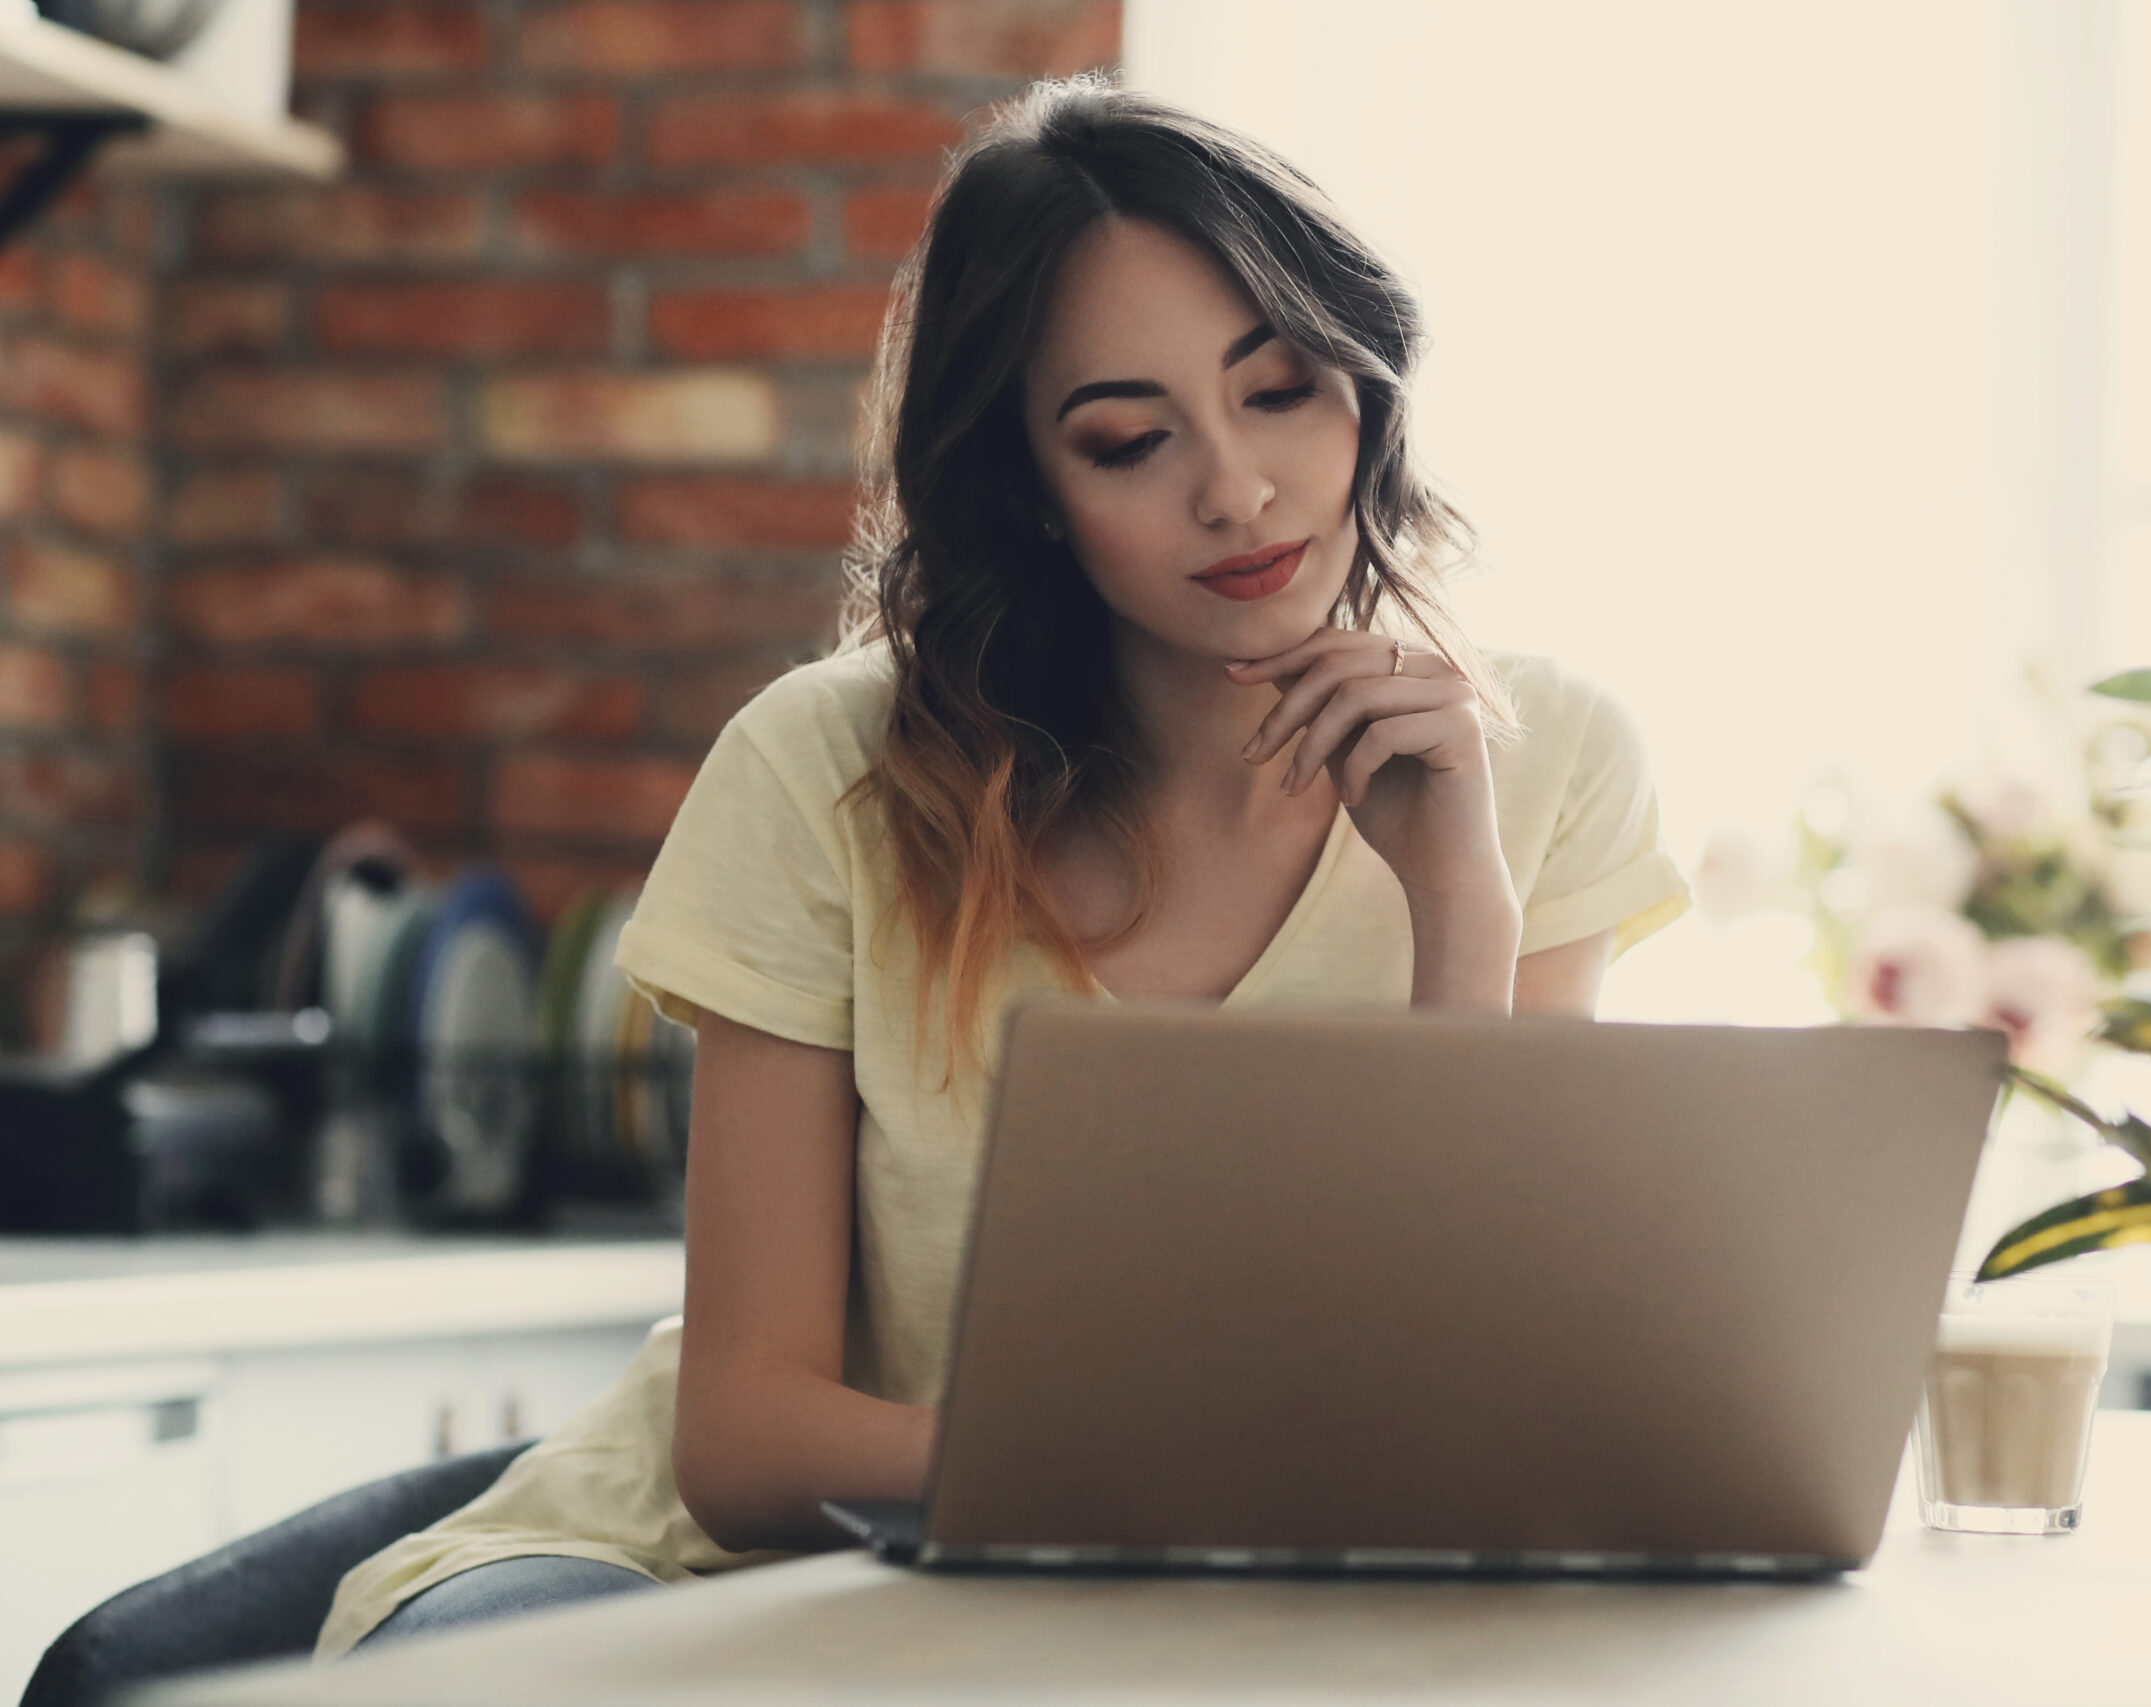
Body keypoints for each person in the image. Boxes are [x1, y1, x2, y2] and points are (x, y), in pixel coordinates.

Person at [316, 76, 1688, 1656]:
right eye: (1127, 438)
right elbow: (746, 1442)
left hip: (1207, 1612)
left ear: (1366, 387)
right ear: (1029, 487)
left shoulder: (1540, 757)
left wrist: (1464, 911)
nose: (1234, 490)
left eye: (1285, 389)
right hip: (696, 1584)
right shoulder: (822, 769)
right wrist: (1191, 1487)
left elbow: (1464, 1391)